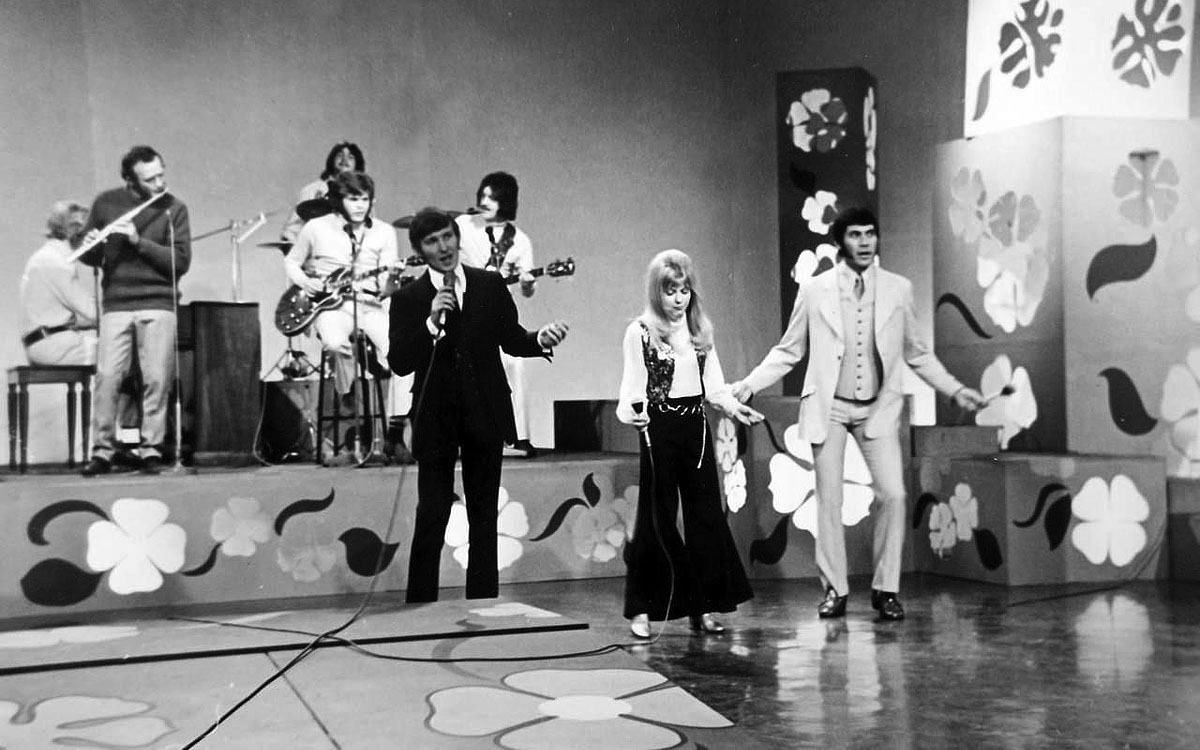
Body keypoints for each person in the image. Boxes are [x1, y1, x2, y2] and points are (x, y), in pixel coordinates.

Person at [731, 207, 986, 621]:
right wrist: (749, 384)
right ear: (840, 241)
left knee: (894, 494)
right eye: (855, 235)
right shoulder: (815, 290)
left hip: (877, 409)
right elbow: (788, 350)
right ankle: (835, 589)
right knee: (829, 500)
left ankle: (886, 590)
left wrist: (956, 390)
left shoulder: (898, 289)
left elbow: (918, 354)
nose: (865, 242)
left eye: (870, 233)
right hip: (829, 408)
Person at [388, 208, 568, 603]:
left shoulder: (489, 284)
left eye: (447, 236)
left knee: (484, 513)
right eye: (432, 241)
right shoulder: (408, 298)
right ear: (419, 250)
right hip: (435, 416)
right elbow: (399, 361)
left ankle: (484, 603)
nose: (443, 247)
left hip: (484, 410)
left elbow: (512, 338)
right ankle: (420, 604)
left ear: (457, 237)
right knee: (432, 511)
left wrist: (539, 340)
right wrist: (430, 323)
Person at [616, 249, 762, 639]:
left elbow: (713, 387)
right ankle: (643, 610)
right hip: (658, 427)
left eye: (684, 291)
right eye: (670, 291)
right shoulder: (640, 332)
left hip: (695, 428)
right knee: (656, 518)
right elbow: (632, 386)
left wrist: (736, 408)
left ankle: (704, 606)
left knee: (705, 516)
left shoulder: (700, 331)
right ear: (656, 293)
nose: (679, 299)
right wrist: (633, 413)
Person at [79, 145, 191, 476]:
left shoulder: (174, 209)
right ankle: (102, 451)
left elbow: (180, 262)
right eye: (150, 179)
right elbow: (90, 257)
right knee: (108, 378)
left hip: (158, 302)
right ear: (131, 180)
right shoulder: (106, 203)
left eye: (161, 175)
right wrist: (93, 243)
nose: (159, 183)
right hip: (117, 303)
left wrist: (137, 241)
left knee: (157, 379)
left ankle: (151, 449)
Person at [284, 171, 400, 404]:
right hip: (331, 306)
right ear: (339, 200)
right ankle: (347, 393)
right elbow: (291, 262)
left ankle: (398, 417)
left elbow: (386, 289)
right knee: (335, 343)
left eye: (365, 199)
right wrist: (306, 282)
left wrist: (393, 279)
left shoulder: (384, 232)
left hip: (370, 304)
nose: (360, 206)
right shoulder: (316, 227)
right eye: (353, 199)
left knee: (399, 350)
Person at [456, 171, 539, 457]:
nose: (485, 201)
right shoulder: (463, 225)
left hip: (497, 315)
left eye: (492, 197)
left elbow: (527, 289)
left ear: (506, 201)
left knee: (515, 364)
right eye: (483, 195)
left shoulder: (520, 241)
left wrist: (527, 283)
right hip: (462, 310)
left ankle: (518, 437)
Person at [19, 201, 98, 365]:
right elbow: (92, 313)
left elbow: (66, 315)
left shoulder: (45, 256)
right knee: (122, 352)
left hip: (42, 343)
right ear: (76, 231)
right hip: (54, 346)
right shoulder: (57, 263)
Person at [279, 141, 365, 243]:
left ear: (357, 164)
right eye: (340, 155)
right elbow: (293, 227)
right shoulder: (312, 189)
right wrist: (289, 241)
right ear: (332, 160)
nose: (344, 159)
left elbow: (370, 228)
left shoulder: (363, 195)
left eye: (350, 157)